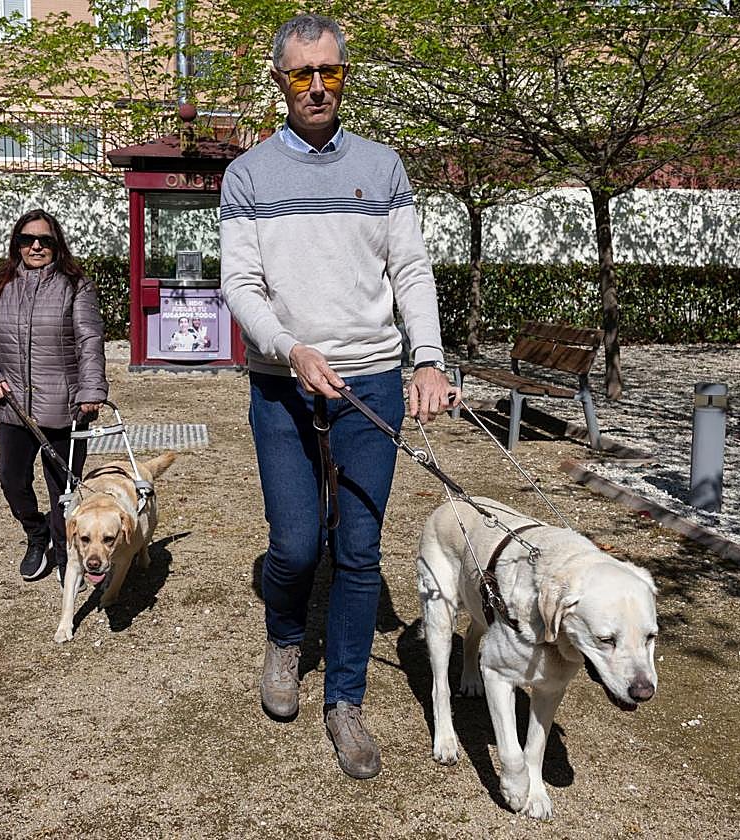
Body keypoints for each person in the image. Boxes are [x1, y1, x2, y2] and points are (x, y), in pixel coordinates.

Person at [220, 12, 459, 780]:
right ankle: (286, 638)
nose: (317, 86)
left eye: (330, 72)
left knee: (357, 551)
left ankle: (346, 701)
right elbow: (240, 283)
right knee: (295, 544)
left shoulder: (384, 167)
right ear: (279, 80)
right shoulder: (248, 175)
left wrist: (427, 359)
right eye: (301, 74)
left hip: (372, 385)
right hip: (281, 386)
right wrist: (289, 349)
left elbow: (411, 271)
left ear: (344, 77)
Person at [0, 209, 108, 585]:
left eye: (45, 240)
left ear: (56, 244)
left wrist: (91, 391)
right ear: (16, 244)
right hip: (11, 406)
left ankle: (67, 559)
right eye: (27, 239)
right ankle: (36, 535)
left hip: (64, 407)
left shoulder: (76, 285)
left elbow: (90, 342)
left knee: (63, 492)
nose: (35, 246)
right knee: (11, 479)